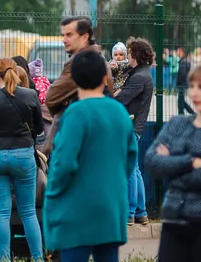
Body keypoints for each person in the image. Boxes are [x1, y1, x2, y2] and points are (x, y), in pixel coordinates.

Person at [44, 49, 136, 262]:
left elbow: (64, 163)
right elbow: (130, 158)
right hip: (111, 208)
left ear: (74, 79)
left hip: (76, 209)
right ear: (105, 78)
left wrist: (53, 196)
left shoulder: (75, 113)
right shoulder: (120, 112)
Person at [0, 58, 44, 262]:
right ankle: (38, 258)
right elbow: (39, 129)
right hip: (23, 156)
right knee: (29, 212)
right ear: (17, 72)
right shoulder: (31, 95)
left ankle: (4, 258)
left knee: (2, 212)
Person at [146, 64, 201, 259]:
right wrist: (189, 162)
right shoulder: (177, 124)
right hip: (174, 221)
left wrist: (171, 162)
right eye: (192, 86)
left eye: (200, 87)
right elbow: (152, 161)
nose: (194, 92)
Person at [112, 37, 153, 227]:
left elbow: (121, 100)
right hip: (135, 126)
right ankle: (141, 213)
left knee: (129, 170)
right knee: (134, 170)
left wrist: (116, 94)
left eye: (128, 54)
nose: (126, 57)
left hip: (130, 126)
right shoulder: (140, 73)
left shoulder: (139, 78)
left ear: (135, 55)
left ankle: (129, 213)